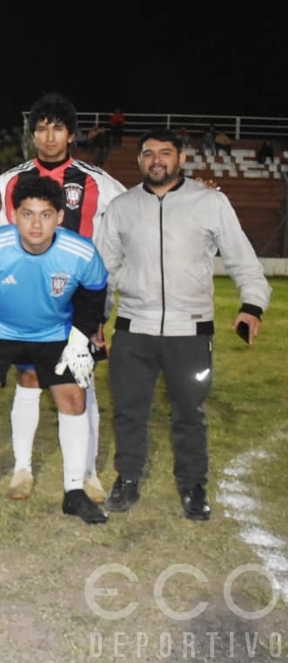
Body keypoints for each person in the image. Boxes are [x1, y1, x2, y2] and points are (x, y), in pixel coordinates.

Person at [95, 129, 270, 520]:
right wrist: (98, 319)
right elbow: (102, 271)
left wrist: (252, 305)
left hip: (190, 331)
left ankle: (193, 486)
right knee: (128, 411)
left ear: (181, 159)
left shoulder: (210, 202)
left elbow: (242, 258)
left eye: (165, 152)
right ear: (140, 161)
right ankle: (127, 478)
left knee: (189, 413)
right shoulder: (122, 207)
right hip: (134, 329)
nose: (156, 160)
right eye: (148, 153)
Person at [0, 176, 109, 525]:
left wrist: (79, 340)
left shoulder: (81, 252)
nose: (36, 224)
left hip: (54, 330)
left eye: (46, 215)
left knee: (73, 397)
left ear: (60, 217)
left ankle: (74, 491)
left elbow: (93, 294)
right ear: (14, 215)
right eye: (28, 214)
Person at [0, 93, 125, 503]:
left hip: (80, 299)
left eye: (57, 128)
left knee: (80, 380)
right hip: (27, 299)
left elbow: (127, 223)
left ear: (71, 134)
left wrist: (104, 296)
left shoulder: (99, 183)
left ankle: (87, 472)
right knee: (29, 377)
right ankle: (22, 469)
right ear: (32, 135)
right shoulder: (9, 182)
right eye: (41, 129)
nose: (49, 136)